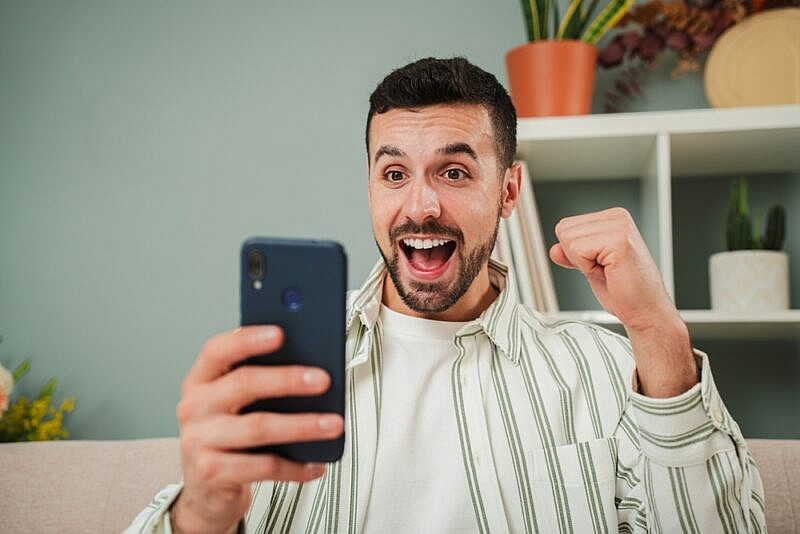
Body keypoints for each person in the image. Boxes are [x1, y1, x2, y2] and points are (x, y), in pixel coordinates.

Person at [127, 57, 765, 533]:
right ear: (371, 189)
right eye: (395, 173)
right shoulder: (276, 371)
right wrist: (200, 514)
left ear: (509, 191)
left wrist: (659, 333)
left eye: (454, 172)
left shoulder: (605, 371)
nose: (420, 206)